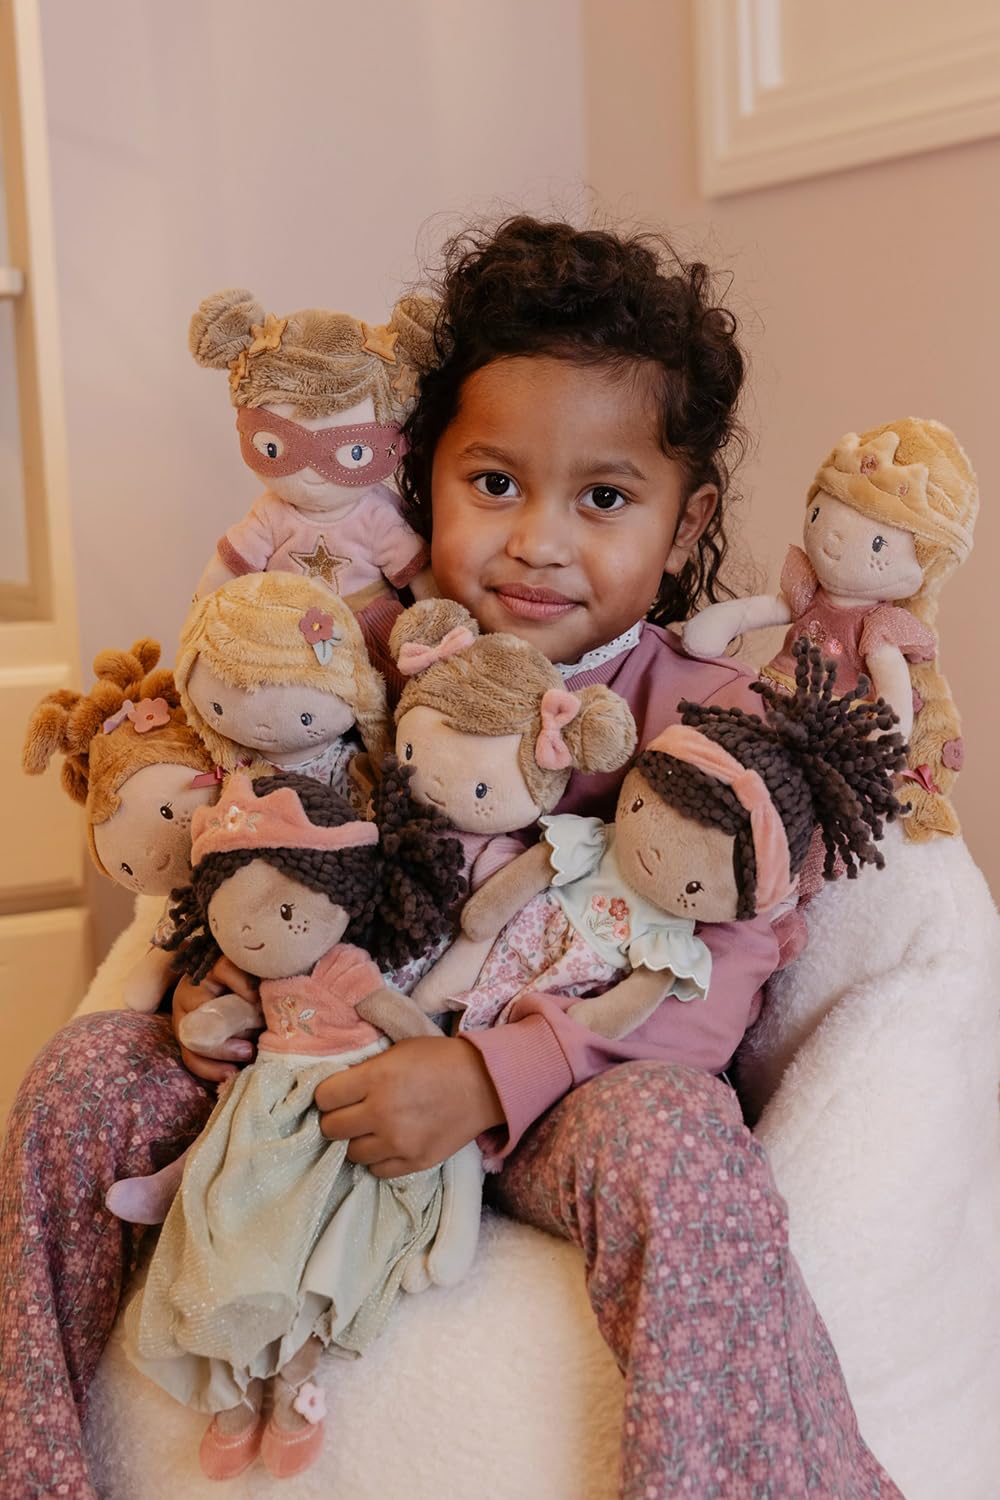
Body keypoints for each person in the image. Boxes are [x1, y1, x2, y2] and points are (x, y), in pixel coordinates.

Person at [0, 216, 902, 1499]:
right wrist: (223, 987)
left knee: (680, 1140)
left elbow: (719, 983)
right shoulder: (342, 664)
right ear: (425, 479)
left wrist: (488, 1076)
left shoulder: (705, 716)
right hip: (307, 1070)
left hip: (553, 1103)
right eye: (494, 484)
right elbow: (249, 852)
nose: (539, 540)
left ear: (683, 519)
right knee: (81, 1078)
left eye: (602, 499)